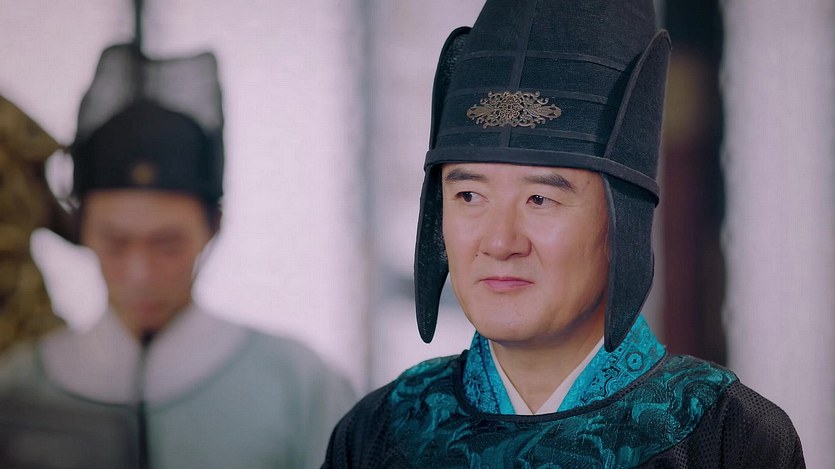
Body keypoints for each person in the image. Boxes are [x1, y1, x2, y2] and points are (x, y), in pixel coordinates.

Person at [324, 1, 804, 467]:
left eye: (540, 199)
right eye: (469, 195)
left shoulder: (725, 438)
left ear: (622, 220)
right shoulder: (381, 432)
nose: (500, 242)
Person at [0, 44, 354, 469]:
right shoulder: (20, 389)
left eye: (167, 244)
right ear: (80, 228)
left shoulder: (299, 386)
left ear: (214, 226)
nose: (140, 273)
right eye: (115, 242)